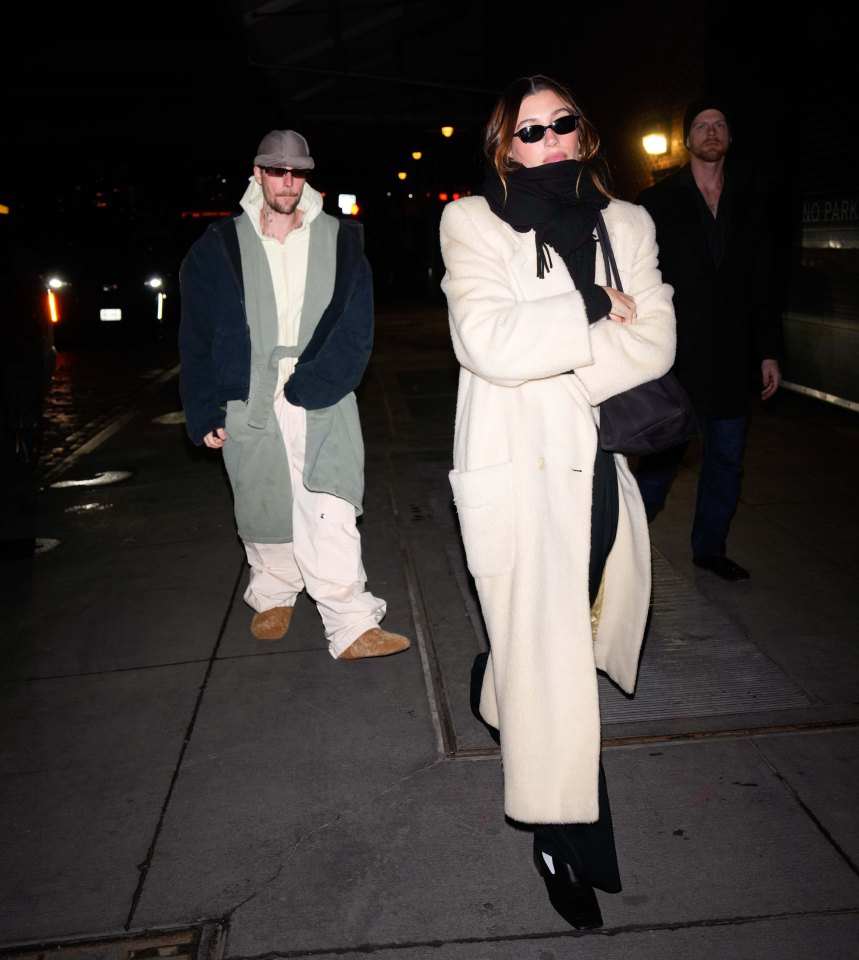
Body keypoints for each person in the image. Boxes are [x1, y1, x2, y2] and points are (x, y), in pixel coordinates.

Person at [438, 75, 676, 929]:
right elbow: (485, 341)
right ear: (503, 147)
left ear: (584, 134)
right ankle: (561, 843)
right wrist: (586, 308)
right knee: (552, 668)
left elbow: (654, 343)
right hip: (513, 471)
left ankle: (495, 687)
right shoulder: (469, 220)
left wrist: (554, 357)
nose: (545, 140)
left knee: (553, 641)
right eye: (526, 131)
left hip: (595, 473)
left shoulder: (631, 224)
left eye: (560, 124)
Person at [178, 129, 411, 661]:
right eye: (276, 170)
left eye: (297, 171)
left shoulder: (341, 238)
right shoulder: (218, 247)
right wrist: (203, 407)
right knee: (261, 499)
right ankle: (274, 593)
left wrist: (320, 381)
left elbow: (358, 324)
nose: (287, 181)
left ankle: (351, 623)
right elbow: (195, 333)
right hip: (247, 394)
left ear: (307, 176)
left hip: (321, 389)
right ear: (257, 173)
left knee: (330, 501)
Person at [635, 96, 784, 582]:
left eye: (720, 124)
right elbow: (640, 277)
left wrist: (768, 352)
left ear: (730, 138)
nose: (712, 132)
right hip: (675, 357)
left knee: (726, 461)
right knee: (660, 462)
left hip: (733, 357)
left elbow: (763, 282)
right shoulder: (657, 201)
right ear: (688, 139)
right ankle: (625, 542)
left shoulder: (750, 202)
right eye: (702, 126)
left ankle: (710, 548)